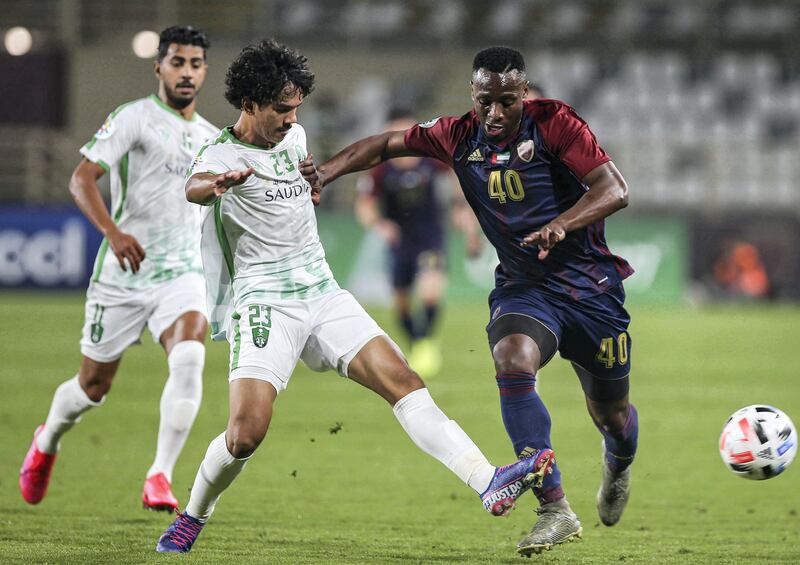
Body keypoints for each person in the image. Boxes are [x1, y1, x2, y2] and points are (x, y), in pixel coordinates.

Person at [155, 39, 552, 554]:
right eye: (281, 109)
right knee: (244, 436)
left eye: (296, 107)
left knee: (404, 382)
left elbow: (297, 187)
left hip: (322, 292)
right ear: (249, 103)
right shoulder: (219, 155)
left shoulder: (294, 137)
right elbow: (195, 186)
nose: (291, 118)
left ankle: (487, 480)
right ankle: (193, 515)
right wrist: (218, 185)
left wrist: (312, 188)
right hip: (266, 303)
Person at [300, 46, 638, 557]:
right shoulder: (458, 134)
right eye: (486, 102)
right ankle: (554, 508)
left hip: (591, 291)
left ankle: (618, 459)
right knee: (511, 358)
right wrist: (326, 172)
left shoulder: (557, 124)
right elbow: (388, 144)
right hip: (526, 288)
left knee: (611, 414)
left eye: (507, 101)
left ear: (524, 94)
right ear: (473, 95)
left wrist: (560, 224)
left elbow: (615, 188)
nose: (496, 114)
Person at [19, 26, 218, 513]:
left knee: (190, 357)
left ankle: (160, 475)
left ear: (204, 71)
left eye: (195, 64)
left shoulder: (213, 138)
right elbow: (82, 178)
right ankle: (48, 438)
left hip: (182, 273)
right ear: (159, 68)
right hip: (124, 275)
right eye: (177, 62)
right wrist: (113, 232)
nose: (186, 72)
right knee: (92, 387)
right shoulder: (134, 118)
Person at [355, 108, 478, 377]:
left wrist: (461, 211)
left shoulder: (431, 161)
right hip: (400, 243)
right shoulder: (380, 170)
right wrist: (379, 225)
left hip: (431, 238)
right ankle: (416, 341)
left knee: (430, 289)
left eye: (408, 133)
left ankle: (425, 342)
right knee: (401, 302)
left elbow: (459, 177)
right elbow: (364, 205)